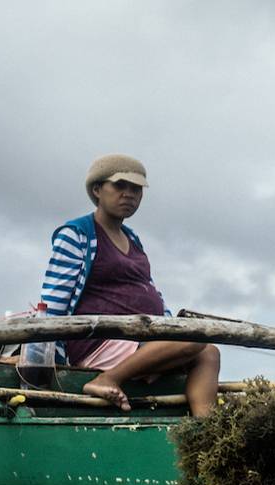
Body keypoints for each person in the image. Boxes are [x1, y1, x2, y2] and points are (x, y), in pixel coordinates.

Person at [38, 154, 220, 416]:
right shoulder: (77, 234)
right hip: (100, 342)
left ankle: (207, 430)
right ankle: (106, 379)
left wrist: (170, 324)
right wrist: (52, 359)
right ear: (97, 190)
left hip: (143, 340)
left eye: (136, 189)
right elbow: (54, 299)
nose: (129, 194)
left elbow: (148, 289)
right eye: (120, 186)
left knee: (209, 352)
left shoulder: (132, 238)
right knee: (192, 340)